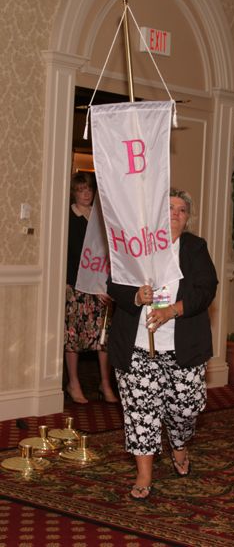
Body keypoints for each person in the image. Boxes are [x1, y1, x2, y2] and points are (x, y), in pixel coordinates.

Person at [107, 187, 218, 499]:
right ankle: (144, 475)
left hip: (183, 347)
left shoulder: (195, 248)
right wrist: (134, 295)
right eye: (169, 208)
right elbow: (113, 284)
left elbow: (206, 288)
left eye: (181, 210)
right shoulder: (136, 246)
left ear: (187, 219)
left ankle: (179, 443)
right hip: (137, 347)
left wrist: (173, 310)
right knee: (141, 412)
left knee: (185, 409)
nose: (175, 214)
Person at [64, 171, 118, 404]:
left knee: (103, 338)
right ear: (74, 193)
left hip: (102, 288)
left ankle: (105, 383)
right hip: (76, 287)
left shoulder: (102, 218)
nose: (86, 194)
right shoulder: (68, 218)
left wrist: (106, 286)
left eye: (89, 189)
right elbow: (71, 257)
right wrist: (87, 284)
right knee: (74, 337)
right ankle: (73, 383)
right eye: (81, 190)